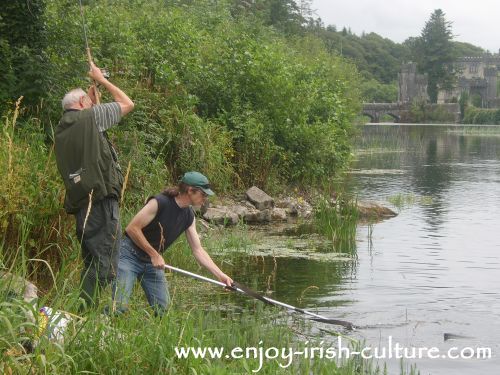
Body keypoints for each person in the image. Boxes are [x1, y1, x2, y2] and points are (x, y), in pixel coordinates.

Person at [54, 62, 134, 309]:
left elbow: (93, 136)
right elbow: (127, 104)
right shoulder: (89, 117)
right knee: (104, 267)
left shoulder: (63, 128)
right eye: (87, 103)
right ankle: (79, 314)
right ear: (80, 105)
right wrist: (102, 79)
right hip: (100, 202)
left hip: (83, 205)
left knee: (93, 262)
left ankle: (80, 315)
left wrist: (93, 99)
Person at [113, 171, 233, 316]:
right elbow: (132, 228)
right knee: (119, 307)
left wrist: (220, 275)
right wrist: (154, 254)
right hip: (129, 256)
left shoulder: (189, 216)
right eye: (203, 194)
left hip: (152, 263)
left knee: (163, 312)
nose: (205, 198)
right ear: (190, 191)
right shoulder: (159, 202)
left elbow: (198, 250)